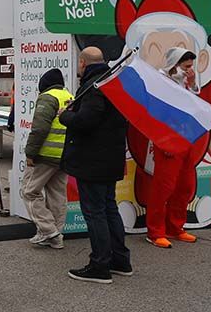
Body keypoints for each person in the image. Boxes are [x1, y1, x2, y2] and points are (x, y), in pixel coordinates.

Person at [59, 47, 131, 284]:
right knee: (109, 208)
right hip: (110, 159)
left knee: (95, 212)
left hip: (92, 161)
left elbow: (86, 120)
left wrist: (65, 116)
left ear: (82, 63)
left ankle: (100, 264)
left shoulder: (94, 87)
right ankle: (120, 260)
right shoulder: (111, 82)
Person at [144, 47, 203, 249]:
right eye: (186, 66)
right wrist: (163, 140)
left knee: (185, 185)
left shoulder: (186, 81)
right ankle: (155, 231)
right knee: (164, 187)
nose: (189, 70)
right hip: (167, 140)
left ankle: (175, 227)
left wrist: (192, 83)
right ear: (175, 65)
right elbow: (155, 113)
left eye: (191, 66)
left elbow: (195, 104)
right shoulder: (160, 81)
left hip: (186, 138)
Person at [20, 68, 72, 249]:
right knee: (57, 195)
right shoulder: (69, 96)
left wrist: (30, 153)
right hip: (64, 155)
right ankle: (56, 237)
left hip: (46, 155)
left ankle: (48, 230)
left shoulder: (48, 97)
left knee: (29, 191)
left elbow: (40, 129)